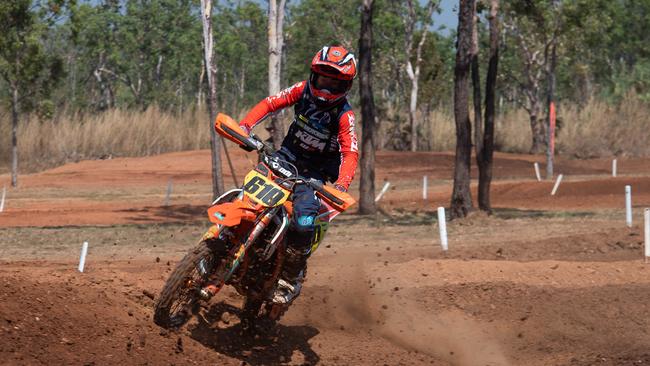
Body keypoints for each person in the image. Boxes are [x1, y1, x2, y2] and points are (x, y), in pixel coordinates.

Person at [238, 45, 358, 305]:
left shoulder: (344, 115)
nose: (326, 88)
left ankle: (289, 278)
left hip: (314, 175)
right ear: (314, 75)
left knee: (304, 222)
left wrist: (341, 185)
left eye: (334, 83)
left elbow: (350, 153)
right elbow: (271, 104)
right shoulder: (302, 89)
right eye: (323, 79)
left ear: (346, 86)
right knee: (247, 193)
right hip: (285, 158)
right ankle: (225, 237)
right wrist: (246, 126)